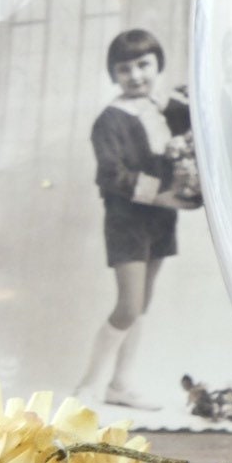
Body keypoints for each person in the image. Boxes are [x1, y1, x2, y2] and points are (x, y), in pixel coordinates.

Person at [75, 28, 198, 410]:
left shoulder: (166, 109)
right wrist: (160, 194)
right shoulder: (110, 120)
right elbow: (111, 175)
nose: (135, 75)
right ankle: (87, 386)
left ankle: (120, 385)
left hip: (160, 220)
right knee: (128, 306)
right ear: (113, 74)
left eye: (143, 65)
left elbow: (192, 139)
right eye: (124, 69)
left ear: (157, 64)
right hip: (126, 219)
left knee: (141, 305)